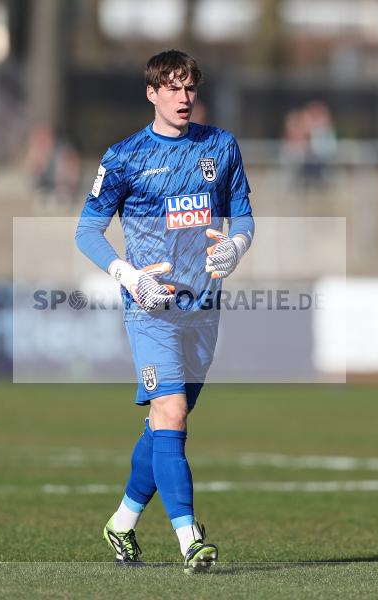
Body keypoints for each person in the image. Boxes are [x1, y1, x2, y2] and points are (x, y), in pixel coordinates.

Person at [75, 50, 254, 573]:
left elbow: (242, 215)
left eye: (189, 87)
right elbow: (87, 230)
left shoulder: (220, 147)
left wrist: (236, 247)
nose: (183, 97)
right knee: (171, 414)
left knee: (162, 427)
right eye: (172, 88)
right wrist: (129, 277)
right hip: (150, 308)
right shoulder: (125, 157)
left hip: (204, 308)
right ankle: (188, 541)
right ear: (151, 93)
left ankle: (121, 524)